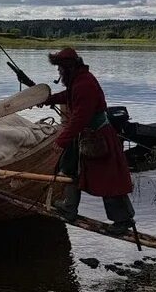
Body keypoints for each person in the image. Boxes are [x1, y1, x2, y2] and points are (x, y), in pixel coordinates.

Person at [44, 47, 135, 234]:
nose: (58, 72)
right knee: (70, 168)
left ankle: (123, 220)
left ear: (68, 67)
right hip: (85, 136)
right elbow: (68, 96)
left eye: (60, 68)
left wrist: (61, 141)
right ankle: (69, 207)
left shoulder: (84, 84)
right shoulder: (78, 80)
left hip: (98, 137)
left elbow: (80, 118)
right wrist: (48, 99)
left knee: (108, 179)